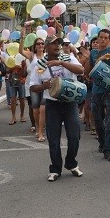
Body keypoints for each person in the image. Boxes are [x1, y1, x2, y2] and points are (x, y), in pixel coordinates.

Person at [29, 35, 85, 181]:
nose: (57, 46)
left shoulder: (68, 58)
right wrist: (44, 86)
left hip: (70, 102)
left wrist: (61, 63)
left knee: (74, 135)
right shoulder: (40, 64)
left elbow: (81, 70)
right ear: (46, 47)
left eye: (59, 43)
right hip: (52, 103)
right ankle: (55, 169)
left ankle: (71, 163)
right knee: (53, 138)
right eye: (53, 44)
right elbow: (33, 86)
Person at [85, 29, 110, 161]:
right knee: (98, 121)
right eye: (101, 37)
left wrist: (107, 56)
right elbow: (88, 69)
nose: (103, 40)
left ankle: (109, 150)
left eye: (106, 38)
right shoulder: (94, 52)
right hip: (97, 90)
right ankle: (102, 143)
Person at [19, 29, 46, 141]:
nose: (40, 45)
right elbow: (20, 51)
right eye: (38, 44)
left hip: (45, 84)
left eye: (42, 43)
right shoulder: (31, 56)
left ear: (44, 46)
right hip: (34, 85)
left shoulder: (47, 55)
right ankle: (37, 126)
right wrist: (22, 37)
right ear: (35, 46)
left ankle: (41, 131)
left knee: (43, 108)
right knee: (35, 108)